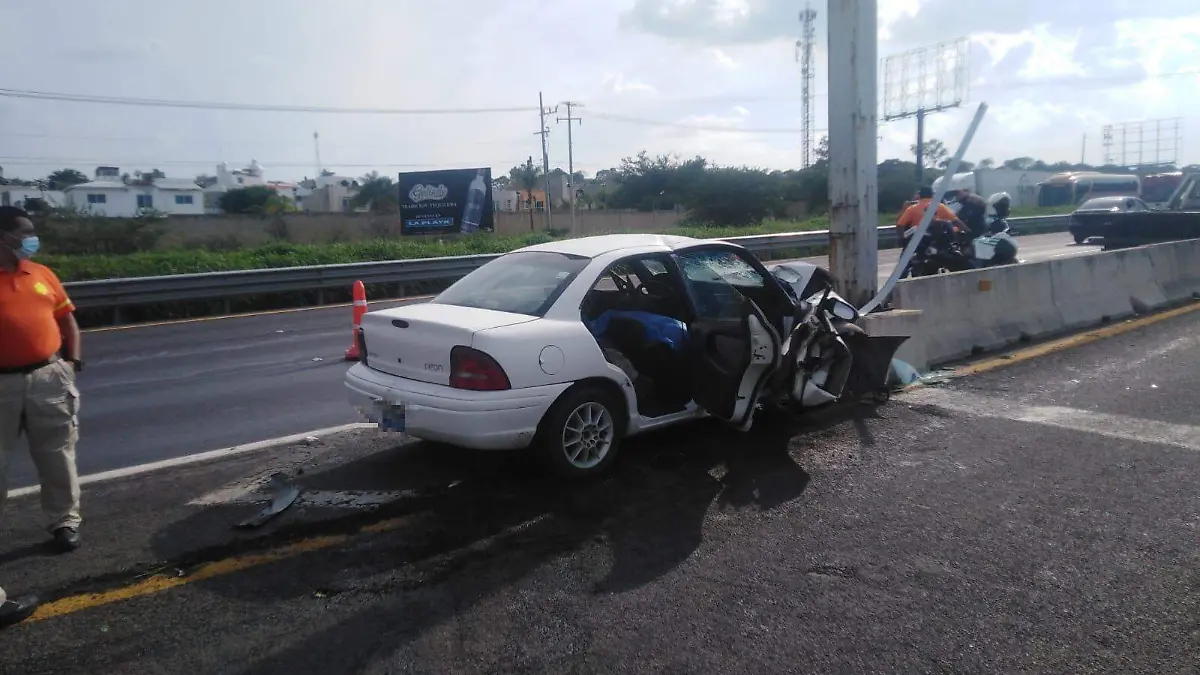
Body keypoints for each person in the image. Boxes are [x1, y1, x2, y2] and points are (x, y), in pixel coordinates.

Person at [0, 206, 83, 553]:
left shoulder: (41, 273)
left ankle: (64, 521)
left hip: (49, 377)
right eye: (25, 232)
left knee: (57, 455)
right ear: (3, 237)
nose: (32, 238)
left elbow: (67, 321)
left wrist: (72, 361)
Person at [896, 186, 963, 240]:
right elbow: (956, 221)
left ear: (920, 196)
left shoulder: (911, 208)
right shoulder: (940, 206)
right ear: (932, 195)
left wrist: (902, 238)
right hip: (937, 239)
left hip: (918, 240)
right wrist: (968, 231)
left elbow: (900, 225)